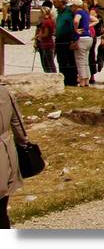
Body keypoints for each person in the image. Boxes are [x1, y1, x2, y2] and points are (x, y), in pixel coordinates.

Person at [0, 80, 33, 228]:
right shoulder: (4, 91)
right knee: (1, 209)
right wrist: (23, 143)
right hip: (6, 152)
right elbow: (17, 123)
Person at [52, 0, 76, 87]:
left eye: (55, 2)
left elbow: (72, 26)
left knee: (69, 61)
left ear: (62, 1)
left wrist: (72, 40)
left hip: (67, 40)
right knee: (61, 61)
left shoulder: (69, 12)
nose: (54, 4)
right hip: (59, 40)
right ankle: (64, 81)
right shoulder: (59, 13)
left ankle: (71, 82)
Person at [70, 0, 93, 87]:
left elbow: (76, 21)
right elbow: (95, 20)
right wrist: (87, 27)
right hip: (88, 37)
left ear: (75, 6)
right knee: (85, 60)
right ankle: (87, 80)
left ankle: (82, 80)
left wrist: (76, 29)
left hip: (81, 38)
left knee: (80, 61)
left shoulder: (78, 13)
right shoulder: (86, 13)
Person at [33, 1, 55, 74]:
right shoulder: (50, 20)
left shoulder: (46, 22)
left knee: (47, 62)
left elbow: (46, 33)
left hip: (46, 43)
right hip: (46, 42)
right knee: (47, 61)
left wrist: (37, 37)